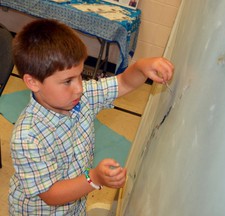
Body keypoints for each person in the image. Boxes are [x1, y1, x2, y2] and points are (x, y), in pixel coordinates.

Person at [8, 19, 174, 215]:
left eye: (80, 75)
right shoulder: (27, 138)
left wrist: (141, 67)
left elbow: (123, 83)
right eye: (68, 81)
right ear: (33, 82)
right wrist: (93, 178)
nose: (79, 87)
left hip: (75, 206)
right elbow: (51, 194)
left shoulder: (82, 96)